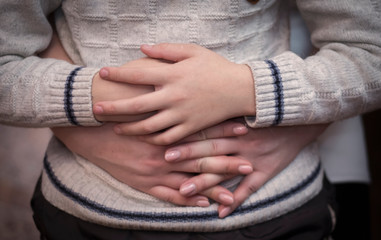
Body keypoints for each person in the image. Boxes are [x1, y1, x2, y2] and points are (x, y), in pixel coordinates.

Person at [0, 0, 380, 239]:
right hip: (87, 217)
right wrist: (114, 97)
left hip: (277, 216)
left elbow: (370, 51)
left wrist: (244, 88)